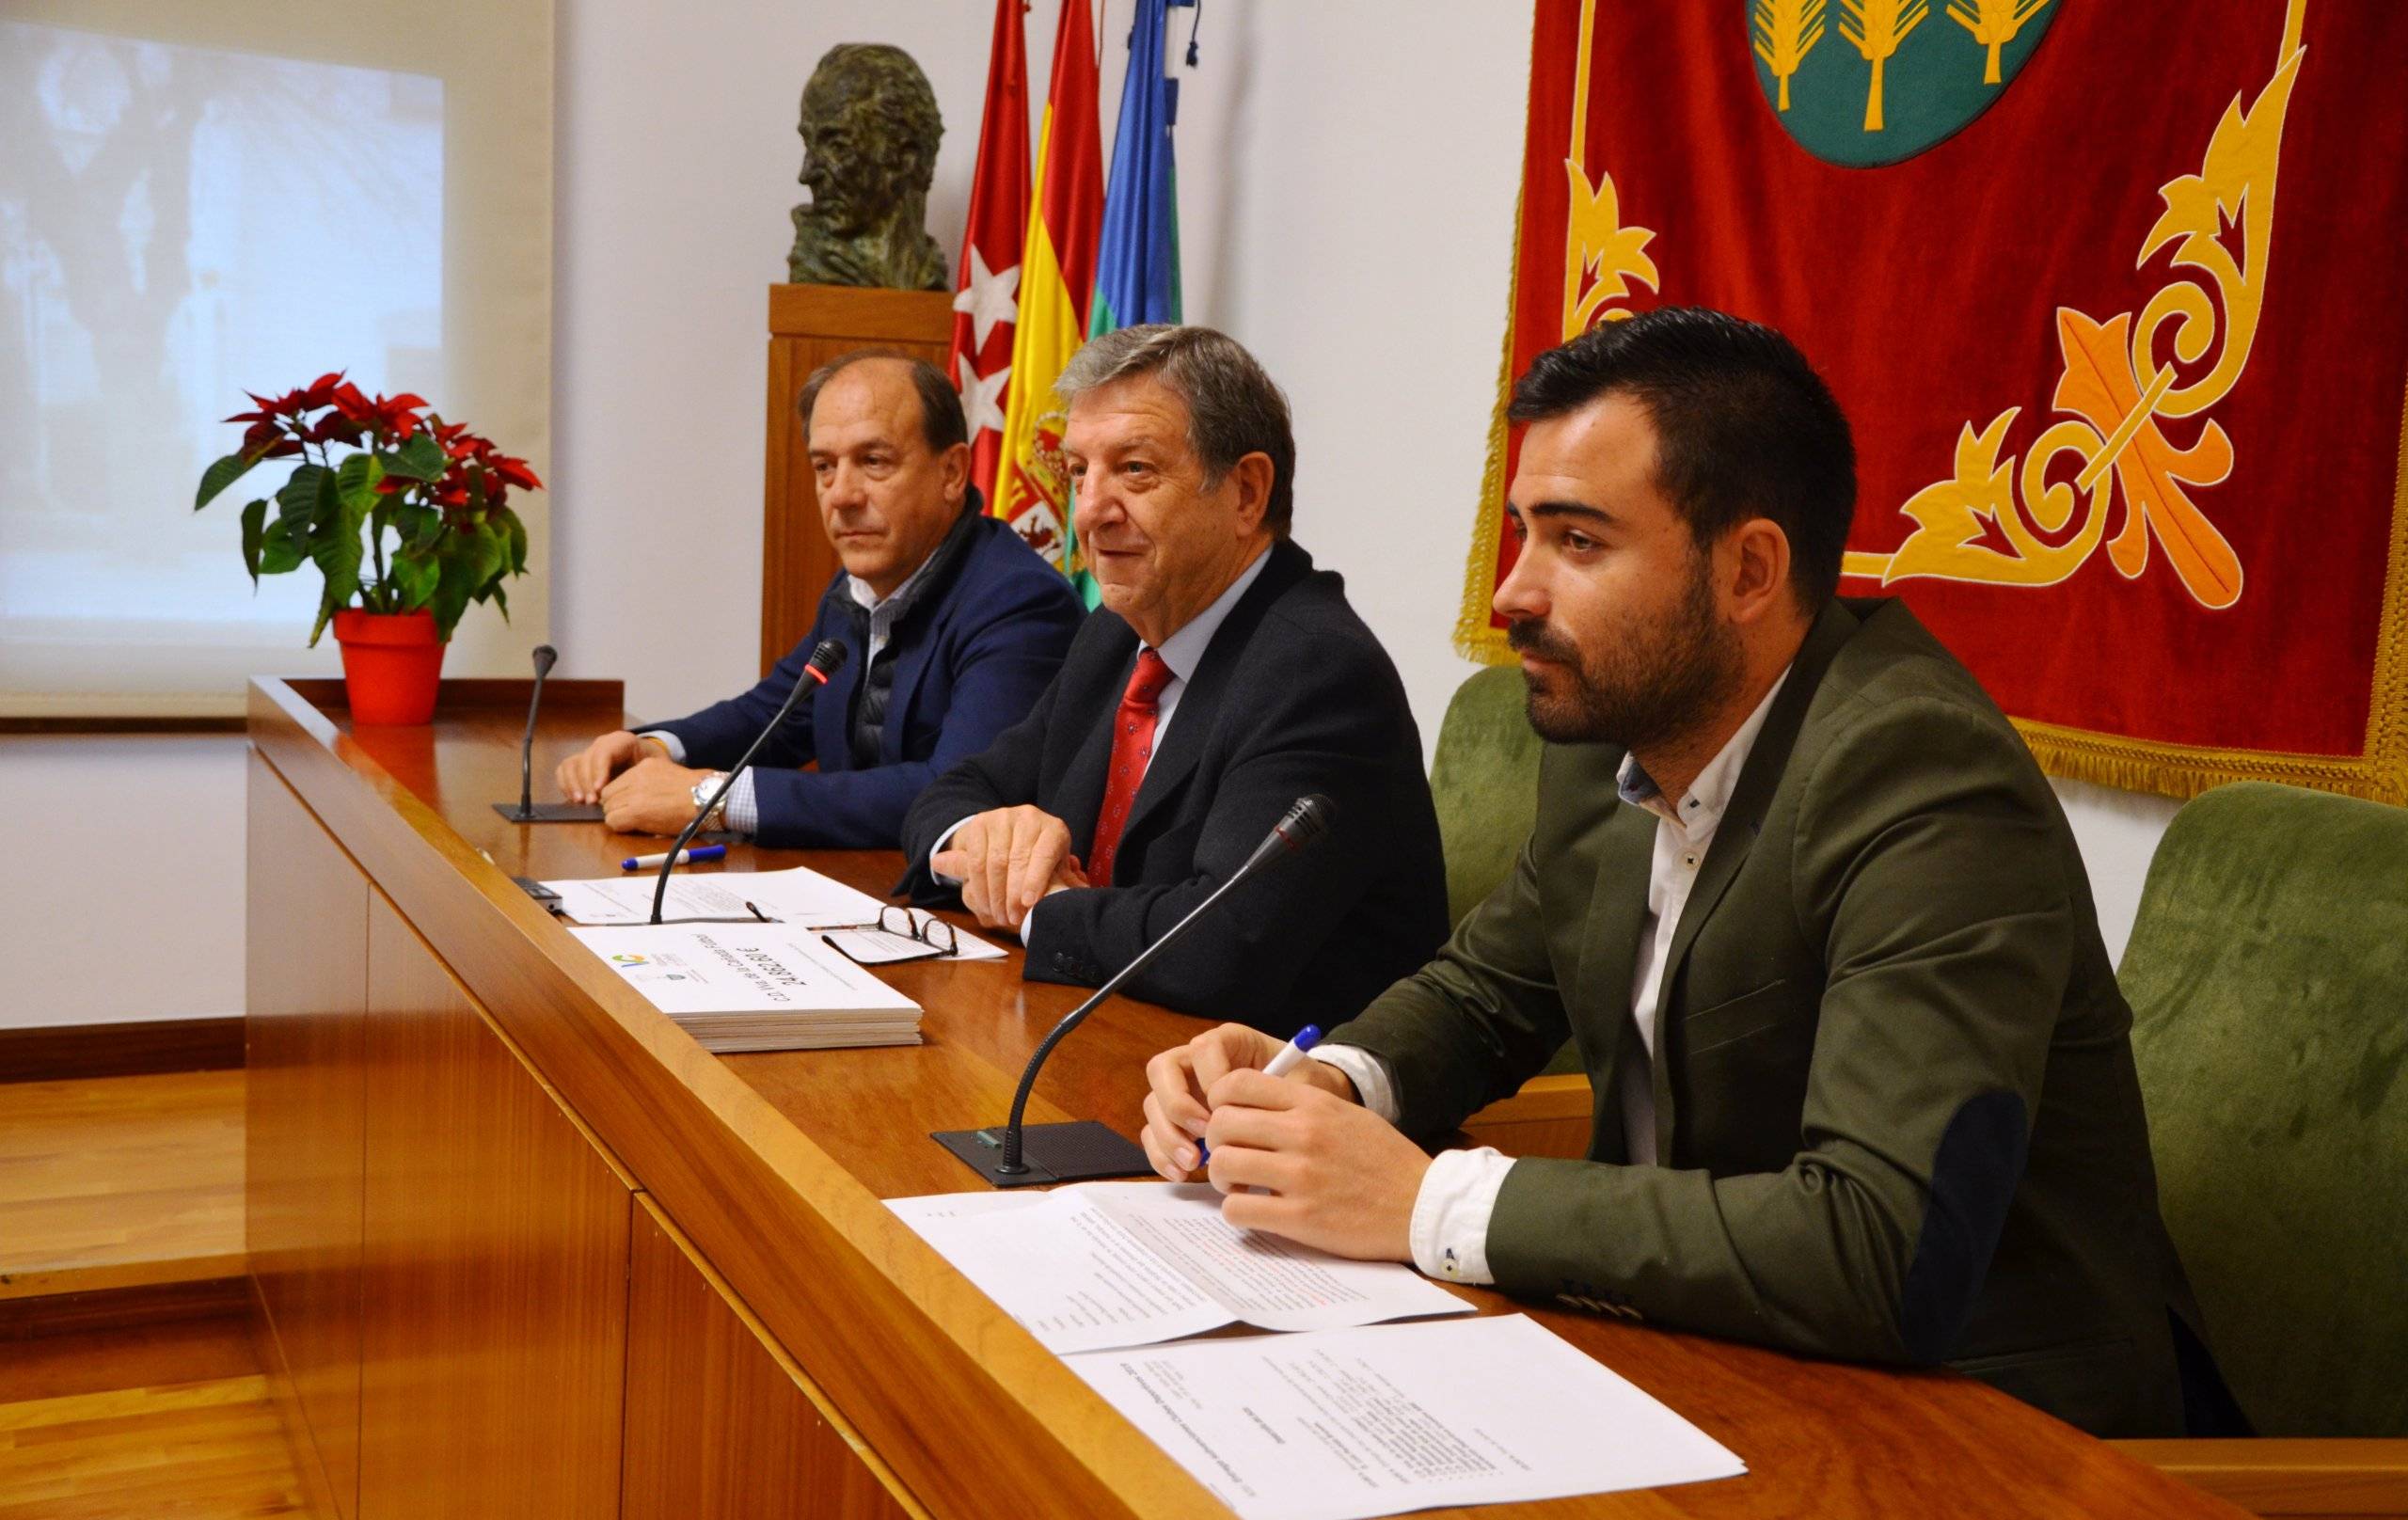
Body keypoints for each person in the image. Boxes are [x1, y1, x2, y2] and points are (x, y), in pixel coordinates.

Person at [1138, 308, 2232, 1438]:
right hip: (1693, 1357)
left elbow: (1879, 1245)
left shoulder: (1922, 779)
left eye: (1576, 542)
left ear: (1748, 568)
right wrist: (1323, 1085)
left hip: (1982, 1432)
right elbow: (1484, 991)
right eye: (1521, 535)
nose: (1512, 593)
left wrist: (1428, 1200)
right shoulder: (1618, 734)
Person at [900, 325, 1448, 1034]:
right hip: (1104, 1042)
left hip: (1270, 1106)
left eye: (1134, 470)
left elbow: (1222, 946)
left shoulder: (1316, 669)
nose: (1090, 512)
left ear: (1246, 492)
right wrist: (989, 838)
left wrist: (1035, 906)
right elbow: (948, 794)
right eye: (1078, 472)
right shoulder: (1113, 636)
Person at [557, 353, 1083, 848]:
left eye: (873, 461)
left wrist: (714, 799)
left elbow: (954, 794)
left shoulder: (1018, 603)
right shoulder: (857, 589)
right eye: (824, 466)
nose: (842, 495)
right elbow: (779, 715)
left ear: (951, 473)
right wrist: (656, 747)